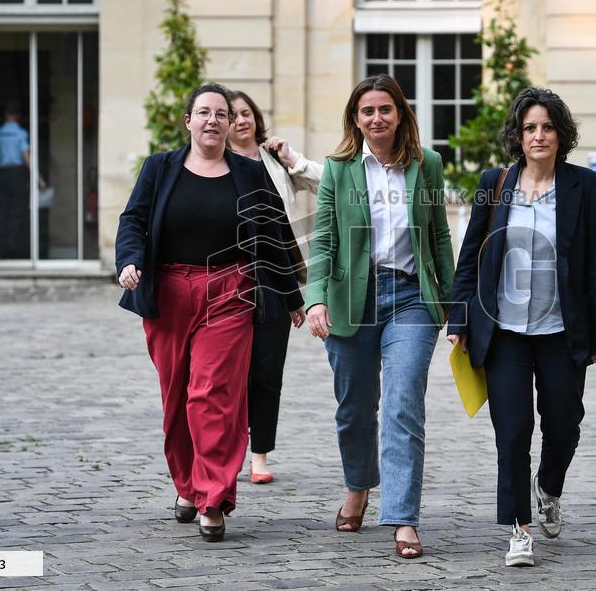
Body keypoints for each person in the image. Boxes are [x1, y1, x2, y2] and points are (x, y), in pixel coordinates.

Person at [115, 83, 305, 543]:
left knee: (213, 394)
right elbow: (134, 220)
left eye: (221, 114)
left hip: (231, 290)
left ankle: (213, 496)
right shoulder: (160, 169)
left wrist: (292, 296)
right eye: (204, 112)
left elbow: (276, 231)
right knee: (177, 395)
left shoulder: (248, 172)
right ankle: (187, 485)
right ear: (188, 121)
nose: (214, 121)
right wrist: (129, 260)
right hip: (170, 293)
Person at [446, 87, 596, 567]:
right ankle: (519, 530)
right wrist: (459, 319)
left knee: (564, 423)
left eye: (547, 127)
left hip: (563, 331)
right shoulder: (494, 183)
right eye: (530, 128)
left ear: (561, 134)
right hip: (504, 333)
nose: (538, 135)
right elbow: (469, 258)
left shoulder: (582, 186)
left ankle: (549, 485)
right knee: (513, 431)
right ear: (517, 137)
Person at [305, 74, 455, 559]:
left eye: (385, 109)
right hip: (352, 300)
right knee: (354, 407)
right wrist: (316, 298)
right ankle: (358, 485)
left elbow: (439, 238)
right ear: (356, 117)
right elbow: (324, 238)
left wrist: (455, 308)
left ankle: (403, 517)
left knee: (402, 403)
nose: (376, 118)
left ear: (400, 114)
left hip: (411, 297)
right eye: (367, 111)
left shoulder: (426, 164)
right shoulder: (338, 168)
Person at [226, 90, 323, 484]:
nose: (240, 121)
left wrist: (292, 159)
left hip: (274, 275)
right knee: (229, 372)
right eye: (232, 115)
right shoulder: (215, 164)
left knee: (267, 371)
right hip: (227, 276)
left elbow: (324, 184)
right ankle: (226, 451)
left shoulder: (275, 162)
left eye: (246, 113)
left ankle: (259, 455)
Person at [0, 101, 44, 258]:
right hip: (17, 174)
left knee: (2, 213)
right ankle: (16, 251)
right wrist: (39, 180)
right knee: (17, 213)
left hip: (1, 174)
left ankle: (1, 251)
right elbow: (27, 156)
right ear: (18, 116)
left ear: (6, 115)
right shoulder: (20, 133)